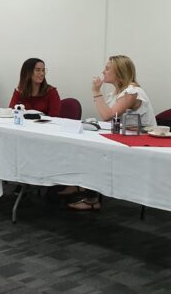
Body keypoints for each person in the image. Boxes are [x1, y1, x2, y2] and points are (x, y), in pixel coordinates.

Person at [67, 55, 156, 211]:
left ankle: (90, 196)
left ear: (119, 72)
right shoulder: (117, 92)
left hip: (143, 144)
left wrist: (96, 91)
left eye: (108, 68)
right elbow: (109, 119)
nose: (103, 71)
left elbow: (108, 115)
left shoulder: (132, 91)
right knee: (88, 148)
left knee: (94, 152)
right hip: (125, 138)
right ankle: (80, 186)